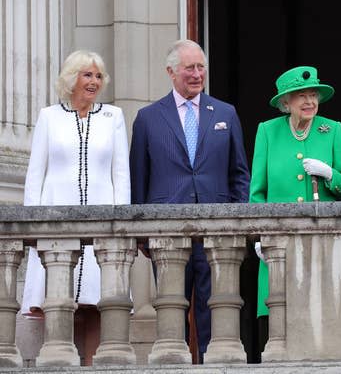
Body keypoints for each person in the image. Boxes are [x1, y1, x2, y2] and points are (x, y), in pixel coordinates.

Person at [129, 39, 250, 362]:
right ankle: (176, 366)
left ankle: (214, 365)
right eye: (189, 68)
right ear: (171, 72)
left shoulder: (226, 113)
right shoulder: (148, 118)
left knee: (216, 308)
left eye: (201, 67)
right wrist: (141, 232)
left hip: (217, 231)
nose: (197, 74)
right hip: (168, 231)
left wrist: (238, 220)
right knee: (172, 308)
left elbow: (239, 173)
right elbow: (139, 179)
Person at [23, 50, 130, 365]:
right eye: (87, 75)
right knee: (59, 302)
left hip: (102, 224)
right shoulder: (48, 117)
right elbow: (35, 175)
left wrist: (121, 227)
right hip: (56, 222)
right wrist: (31, 226)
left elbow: (120, 175)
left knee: (98, 303)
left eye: (98, 76)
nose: (94, 81)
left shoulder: (113, 117)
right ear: (72, 79)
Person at [250, 66, 341, 344]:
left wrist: (330, 174)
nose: (310, 102)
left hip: (321, 242)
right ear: (286, 103)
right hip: (279, 243)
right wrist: (259, 235)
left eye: (313, 95)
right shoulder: (267, 132)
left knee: (321, 319)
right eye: (301, 96)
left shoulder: (331, 130)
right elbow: (257, 192)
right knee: (277, 319)